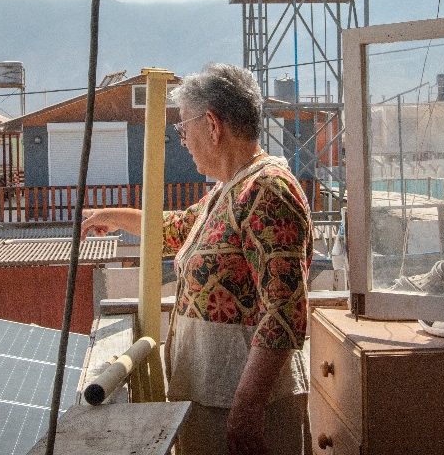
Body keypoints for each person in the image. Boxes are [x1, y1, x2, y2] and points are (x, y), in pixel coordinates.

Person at [82, 63, 312, 455]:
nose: (183, 140)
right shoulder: (230, 190)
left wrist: (247, 408)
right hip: (213, 395)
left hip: (243, 407)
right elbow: (175, 229)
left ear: (212, 125)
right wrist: (110, 216)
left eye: (183, 129)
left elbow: (284, 313)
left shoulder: (267, 191)